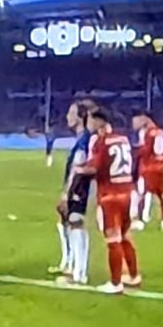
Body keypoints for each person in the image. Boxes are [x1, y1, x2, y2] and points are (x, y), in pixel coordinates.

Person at [77, 107, 142, 293]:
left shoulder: (101, 141)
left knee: (113, 239)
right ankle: (133, 275)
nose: (88, 124)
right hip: (127, 193)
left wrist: (78, 169)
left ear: (98, 121)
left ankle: (115, 283)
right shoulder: (123, 139)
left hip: (110, 196)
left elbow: (94, 168)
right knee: (126, 236)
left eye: (90, 120)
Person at [55, 99, 97, 285]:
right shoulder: (83, 138)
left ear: (80, 117)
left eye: (71, 113)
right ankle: (75, 268)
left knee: (76, 222)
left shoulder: (84, 140)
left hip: (79, 186)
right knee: (73, 223)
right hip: (79, 185)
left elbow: (77, 167)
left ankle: (78, 274)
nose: (67, 117)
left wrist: (67, 192)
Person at [130, 110, 163, 232]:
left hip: (148, 168)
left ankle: (140, 221)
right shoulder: (161, 132)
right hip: (160, 168)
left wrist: (135, 152)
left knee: (141, 192)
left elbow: (145, 150)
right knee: (162, 195)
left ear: (145, 119)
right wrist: (162, 160)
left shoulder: (148, 133)